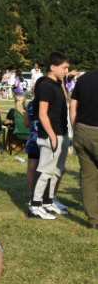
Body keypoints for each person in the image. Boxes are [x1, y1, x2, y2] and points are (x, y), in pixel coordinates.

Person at [29, 51, 71, 220]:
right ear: (53, 67)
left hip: (62, 132)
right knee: (45, 170)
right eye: (64, 68)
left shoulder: (57, 83)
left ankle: (48, 201)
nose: (67, 71)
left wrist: (63, 81)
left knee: (57, 170)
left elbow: (66, 101)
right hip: (51, 134)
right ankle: (35, 205)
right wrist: (52, 135)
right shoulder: (46, 85)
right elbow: (42, 113)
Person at [69, 68, 98, 229]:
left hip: (82, 130)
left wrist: (75, 131)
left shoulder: (84, 78)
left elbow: (72, 106)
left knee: (88, 177)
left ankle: (93, 220)